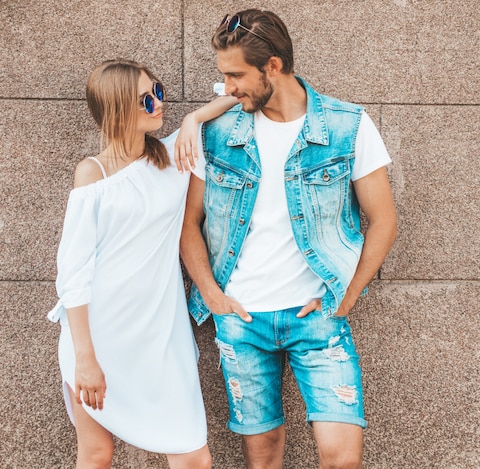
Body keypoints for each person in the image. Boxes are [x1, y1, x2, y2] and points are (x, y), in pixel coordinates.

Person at [175, 9, 397, 469]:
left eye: (235, 75)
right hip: (242, 318)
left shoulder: (346, 126)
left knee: (343, 459)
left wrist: (347, 296)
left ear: (272, 66)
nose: (227, 87)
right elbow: (188, 223)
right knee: (263, 458)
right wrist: (214, 296)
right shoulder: (214, 134)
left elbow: (384, 219)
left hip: (317, 316)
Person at [47, 59, 235, 469]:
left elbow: (234, 97)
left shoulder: (172, 156)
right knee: (96, 453)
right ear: (116, 109)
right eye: (144, 100)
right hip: (99, 337)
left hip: (159, 338)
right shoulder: (91, 174)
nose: (156, 104)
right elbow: (74, 273)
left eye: (158, 92)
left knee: (193, 457)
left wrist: (194, 119)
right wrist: (85, 358)